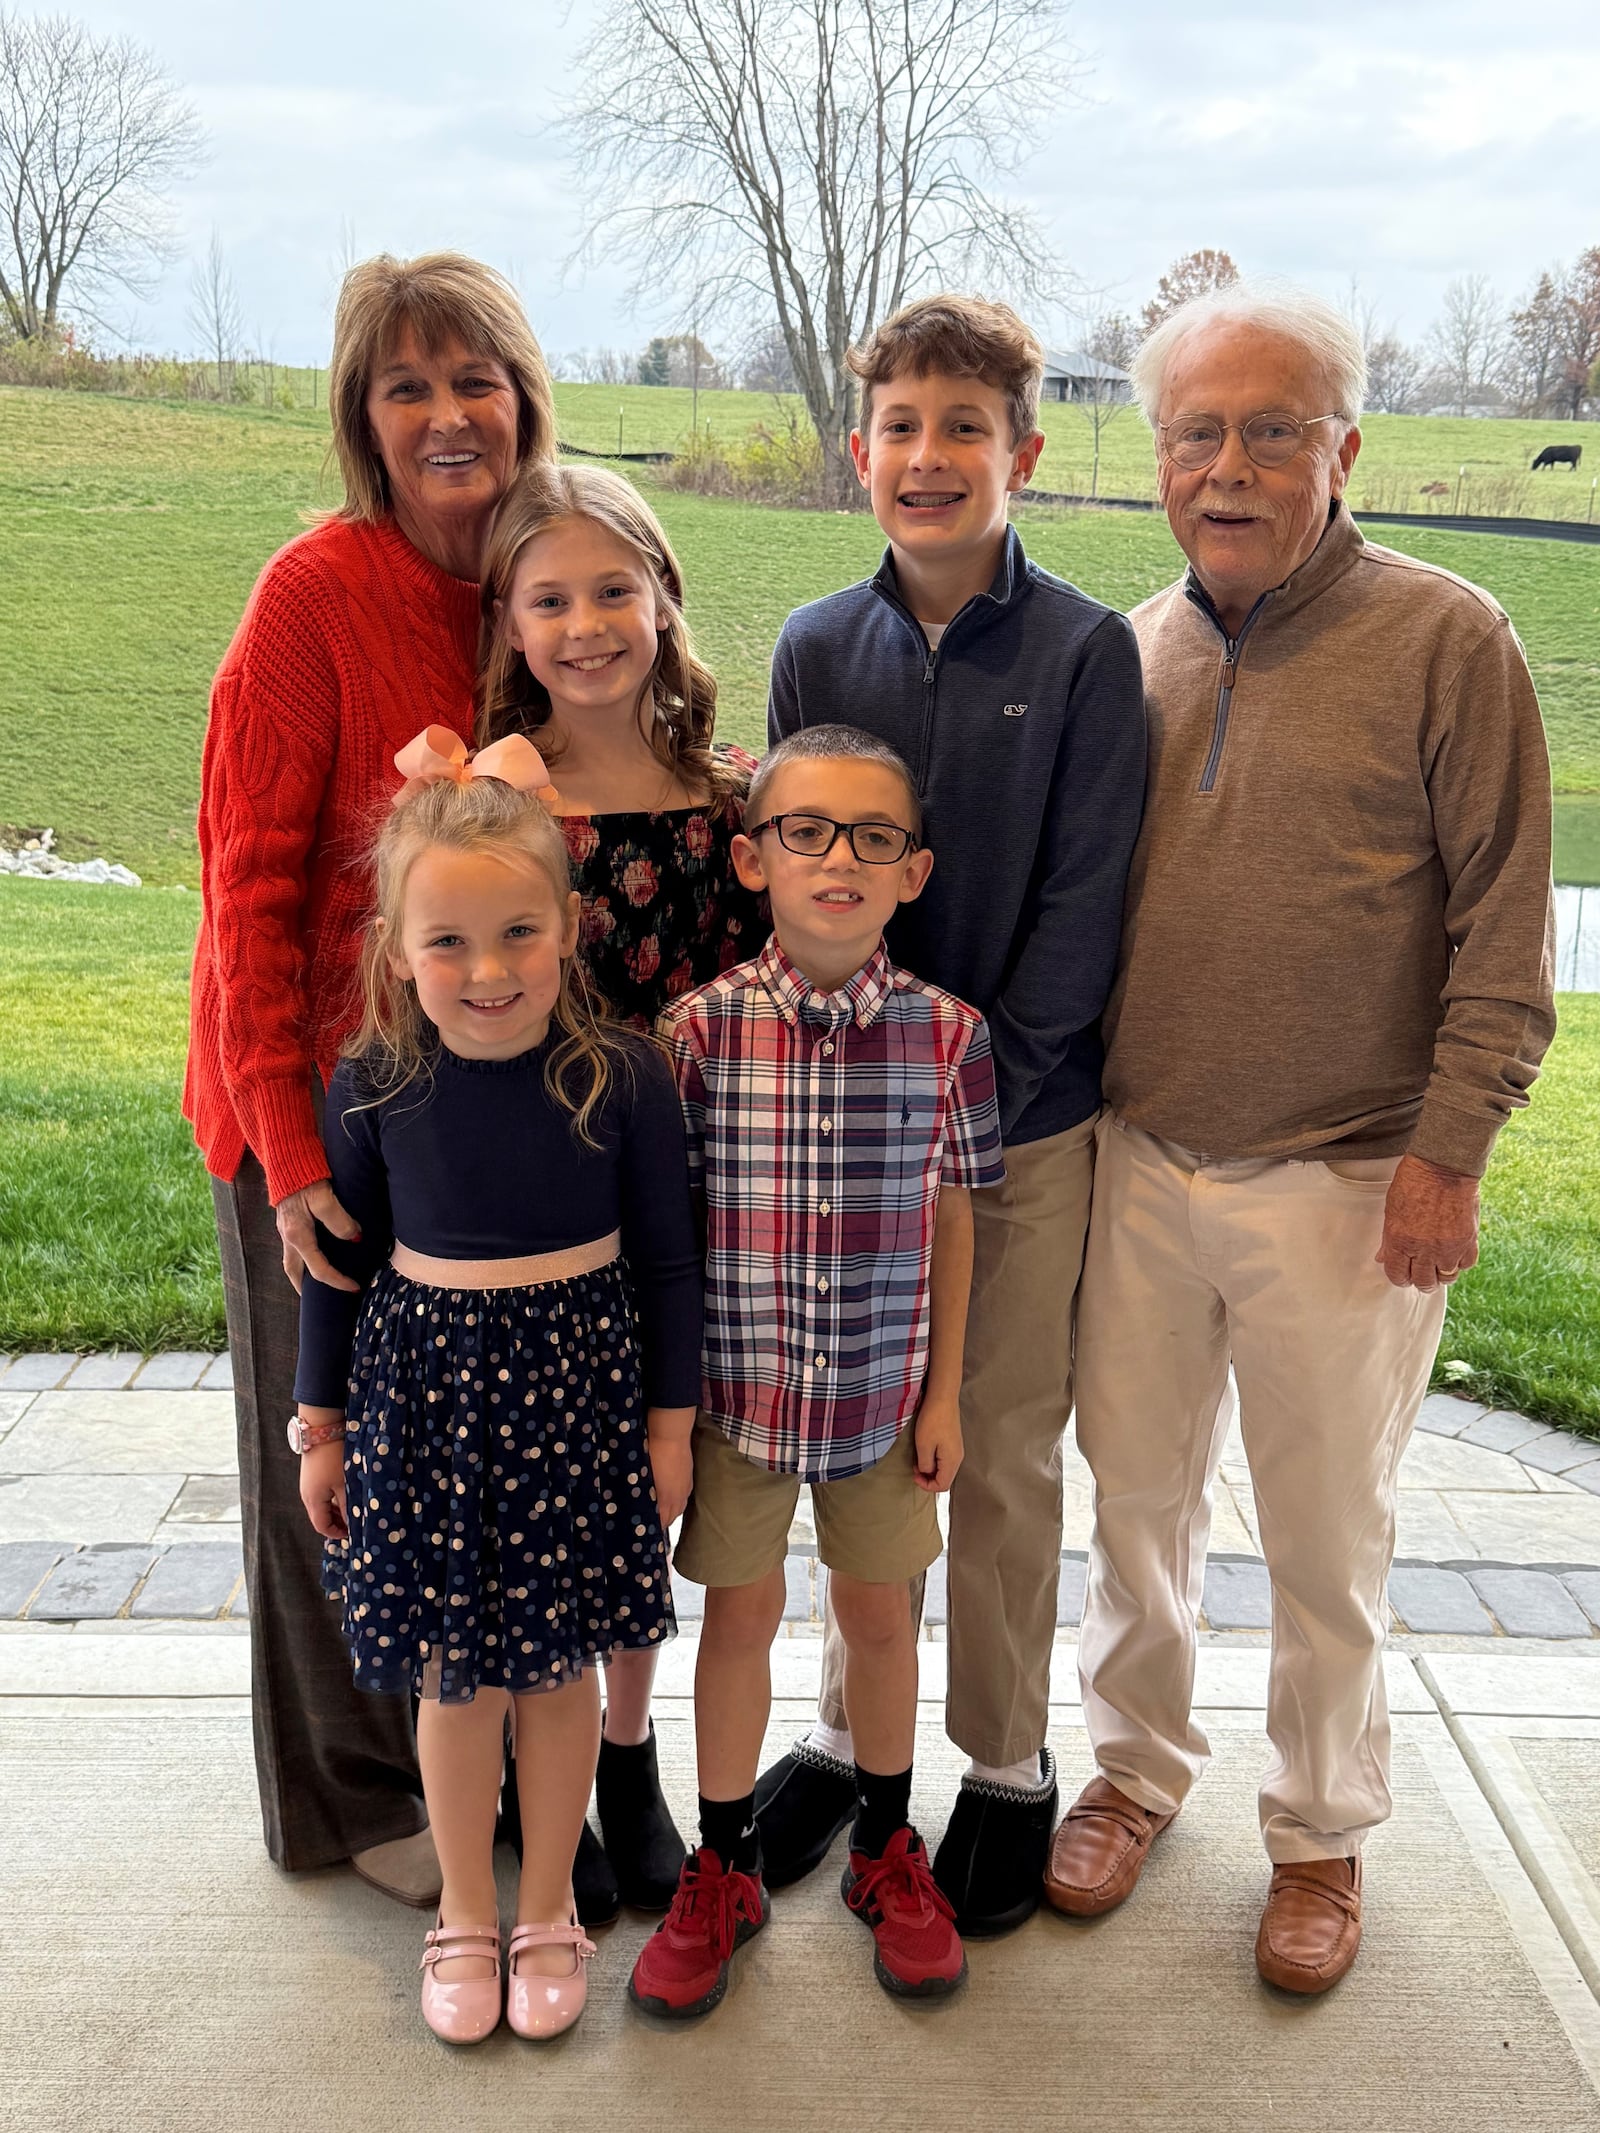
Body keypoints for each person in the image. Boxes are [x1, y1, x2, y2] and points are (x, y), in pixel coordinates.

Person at [1051, 283, 1556, 1994]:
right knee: (1133, 1503)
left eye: (1276, 428)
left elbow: (1504, 936)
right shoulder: (1131, 654)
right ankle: (1132, 1769)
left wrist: (1450, 1151)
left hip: (1351, 1177)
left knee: (1326, 1534)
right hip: (1141, 1157)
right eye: (1198, 429)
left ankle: (1322, 1827)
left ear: (1347, 448)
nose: (1233, 464)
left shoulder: (1450, 640)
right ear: (1157, 459)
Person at [761, 295, 1147, 1935]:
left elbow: (1085, 900)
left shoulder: (1083, 655)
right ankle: (853, 1741)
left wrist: (978, 1076)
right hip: (841, 1125)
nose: (930, 457)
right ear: (864, 453)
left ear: (1024, 454)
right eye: (902, 428)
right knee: (848, 1435)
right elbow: (800, 878)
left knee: (991, 1446)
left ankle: (1000, 1760)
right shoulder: (812, 646)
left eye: (964, 429)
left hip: (1021, 1126)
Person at [184, 251, 557, 1906]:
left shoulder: (546, 585)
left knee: (455, 1462)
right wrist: (283, 1153)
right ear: (364, 418)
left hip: (475, 1110)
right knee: (327, 1455)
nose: (446, 415)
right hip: (313, 1112)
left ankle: (460, 1759)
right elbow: (246, 898)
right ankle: (346, 1796)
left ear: (524, 399)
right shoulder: (308, 599)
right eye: (406, 387)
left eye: (473, 379)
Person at [292, 741, 701, 2042]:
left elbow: (672, 1260)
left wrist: (671, 1420)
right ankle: (464, 1907)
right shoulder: (373, 1082)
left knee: (558, 1674)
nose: (487, 970)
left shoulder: (627, 1075)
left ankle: (547, 1908)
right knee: (453, 1679)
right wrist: (323, 1425)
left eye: (520, 931)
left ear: (570, 927)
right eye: (451, 940)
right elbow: (337, 1272)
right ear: (398, 945)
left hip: (577, 1401)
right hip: (426, 1405)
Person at [629, 726, 1006, 2016]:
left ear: (915, 871)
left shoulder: (949, 1037)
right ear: (751, 858)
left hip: (885, 1398)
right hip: (737, 1397)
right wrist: (667, 1411)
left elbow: (956, 1216)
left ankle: (888, 1848)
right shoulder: (697, 1036)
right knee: (734, 1619)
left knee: (882, 1616)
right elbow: (666, 1240)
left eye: (873, 837)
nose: (837, 858)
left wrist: (944, 1390)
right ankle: (721, 1867)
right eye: (805, 831)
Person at [475, 460, 766, 1908]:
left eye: (613, 590)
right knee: (561, 1499)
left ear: (664, 599)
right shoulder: (496, 798)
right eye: (549, 598)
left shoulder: (734, 807)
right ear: (511, 623)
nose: (585, 624)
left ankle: (630, 1753)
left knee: (658, 1490)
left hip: (696, 1210)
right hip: (550, 1213)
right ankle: (548, 1778)